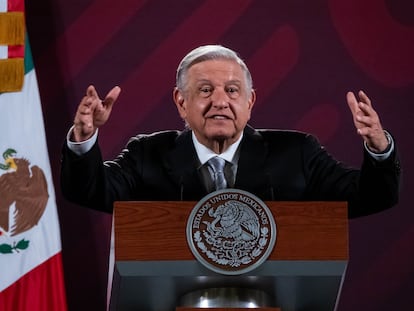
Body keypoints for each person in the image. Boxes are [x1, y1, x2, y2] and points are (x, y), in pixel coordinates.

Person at [60, 45, 400, 218]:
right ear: (181, 102)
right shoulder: (147, 154)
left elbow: (372, 197)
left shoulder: (296, 153)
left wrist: (379, 147)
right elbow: (89, 191)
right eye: (205, 90)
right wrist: (83, 141)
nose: (220, 101)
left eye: (232, 91)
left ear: (250, 101)